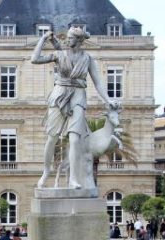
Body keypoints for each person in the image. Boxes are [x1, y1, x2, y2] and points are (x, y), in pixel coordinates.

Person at [30, 25, 121, 189]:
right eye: (67, 37)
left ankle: (73, 179)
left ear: (79, 40)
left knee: (75, 139)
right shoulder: (59, 55)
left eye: (71, 37)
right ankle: (45, 172)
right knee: (52, 138)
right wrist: (43, 39)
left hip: (78, 95)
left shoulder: (87, 59)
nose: (67, 40)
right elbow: (34, 59)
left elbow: (99, 83)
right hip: (59, 95)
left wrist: (108, 100)